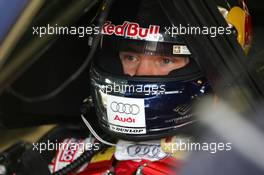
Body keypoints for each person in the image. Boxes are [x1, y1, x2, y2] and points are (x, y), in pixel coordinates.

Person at [48, 0, 252, 174]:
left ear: (214, 69)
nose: (141, 73)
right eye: (130, 57)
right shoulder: (71, 154)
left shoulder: (235, 161)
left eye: (165, 60)